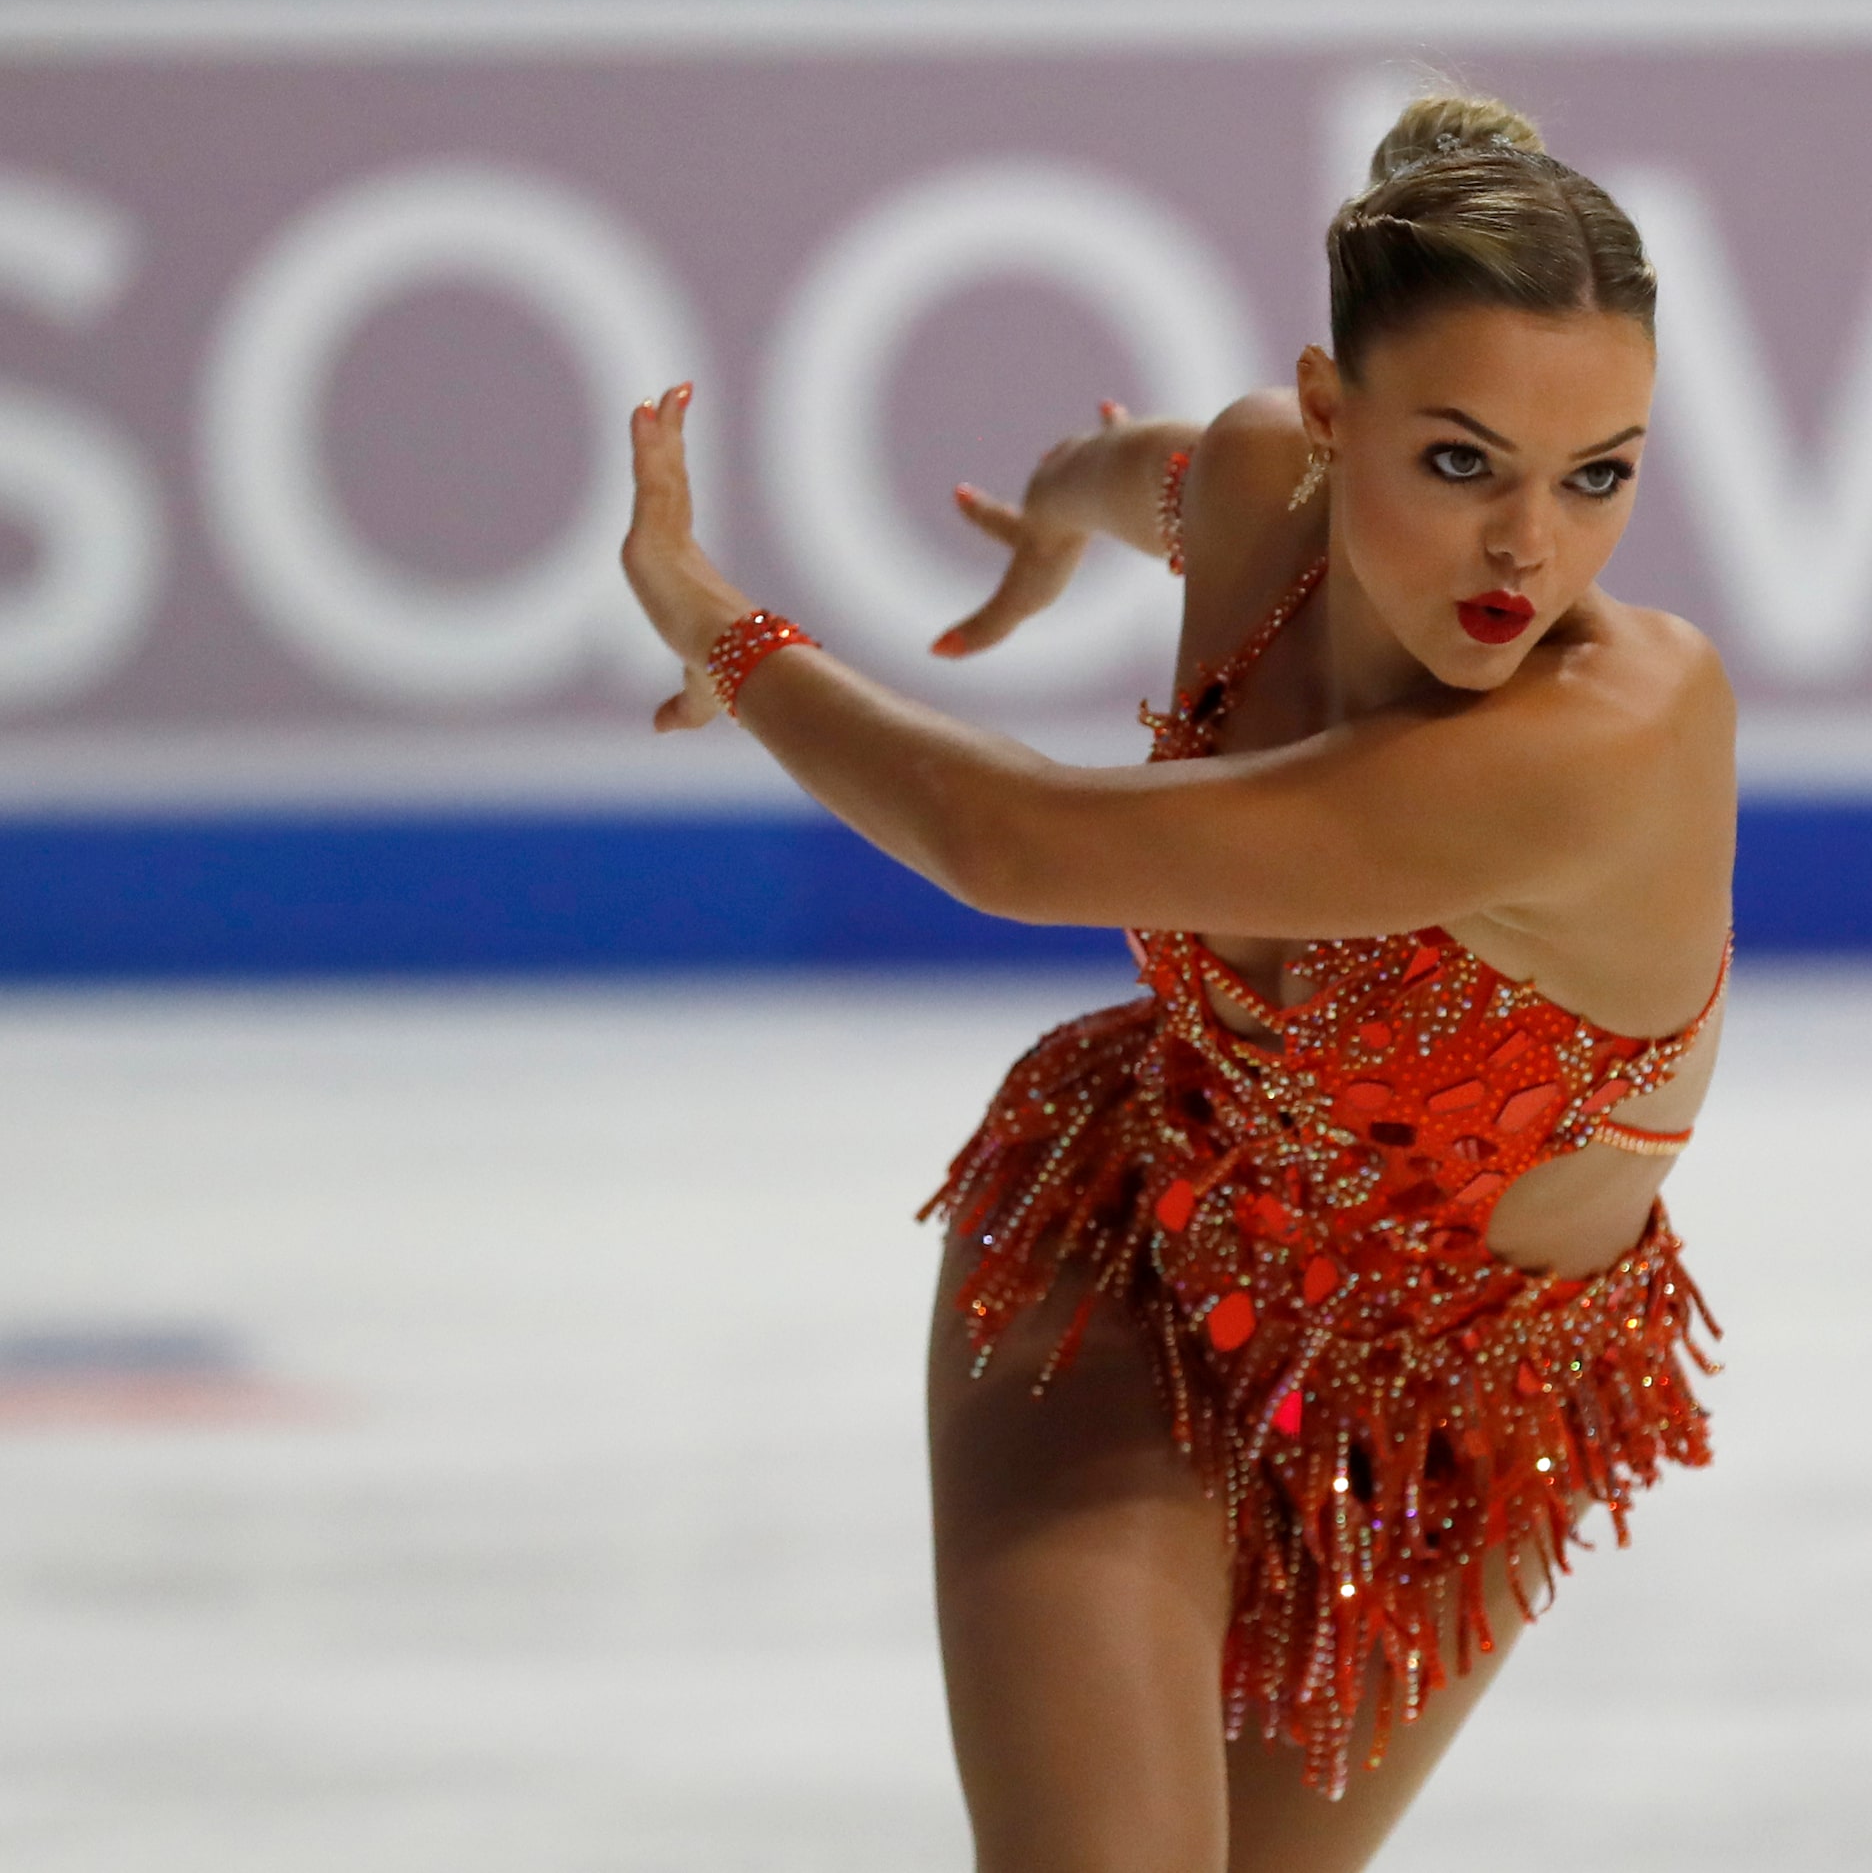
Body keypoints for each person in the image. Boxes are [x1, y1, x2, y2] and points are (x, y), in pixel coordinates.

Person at [619, 93, 1736, 1873]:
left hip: (1454, 1425)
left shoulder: (1605, 736)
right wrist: (1050, 522)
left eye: (1596, 473)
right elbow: (1135, 470)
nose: (1531, 551)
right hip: (1134, 1253)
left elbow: (1015, 839)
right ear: (1323, 414)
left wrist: (713, 621)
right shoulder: (1251, 487)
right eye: (1460, 462)